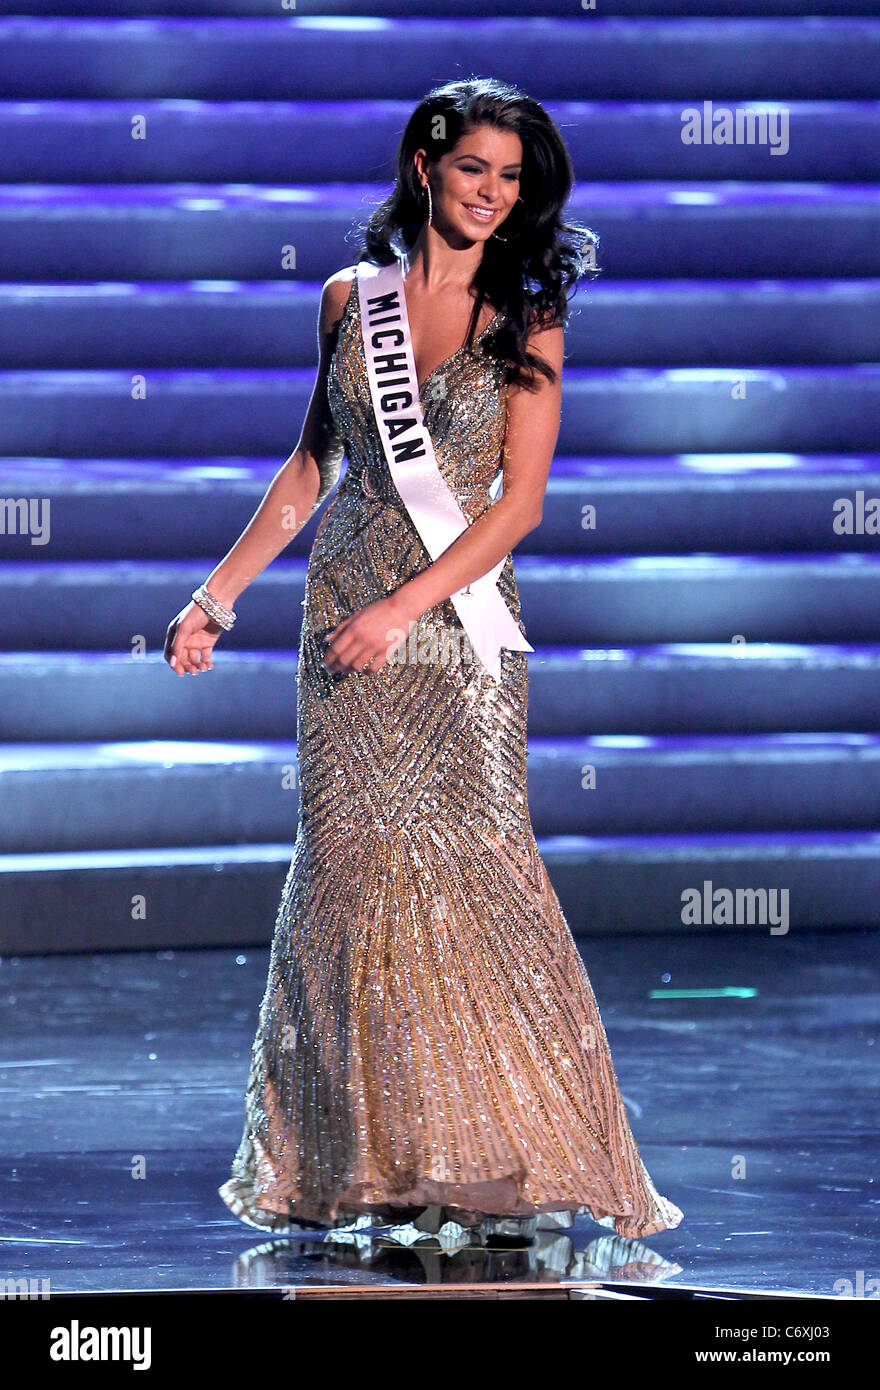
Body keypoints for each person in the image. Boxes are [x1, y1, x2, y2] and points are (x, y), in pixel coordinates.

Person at [164, 76, 683, 1244]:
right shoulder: (352, 301)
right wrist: (216, 595)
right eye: (472, 172)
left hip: (451, 627)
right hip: (340, 610)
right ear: (423, 169)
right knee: (349, 876)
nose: (493, 196)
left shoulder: (529, 309)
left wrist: (404, 608)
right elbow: (310, 470)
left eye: (511, 178)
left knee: (478, 866)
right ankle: (376, 1162)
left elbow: (523, 503)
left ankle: (510, 1154)